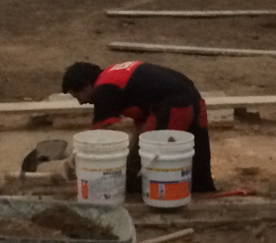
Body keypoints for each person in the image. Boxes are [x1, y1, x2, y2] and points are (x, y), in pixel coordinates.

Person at [61, 60, 217, 193]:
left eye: (78, 96)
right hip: (190, 98)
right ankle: (200, 188)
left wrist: (73, 161)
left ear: (87, 86)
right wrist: (133, 151)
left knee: (150, 161)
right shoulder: (115, 77)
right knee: (198, 156)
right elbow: (141, 124)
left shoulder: (104, 89)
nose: (81, 102)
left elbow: (96, 135)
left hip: (175, 105)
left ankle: (163, 195)